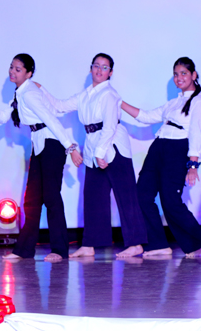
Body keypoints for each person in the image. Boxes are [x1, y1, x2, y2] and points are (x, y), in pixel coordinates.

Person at [0, 53, 82, 262]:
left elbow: (51, 119)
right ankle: (24, 250)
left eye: (18, 69)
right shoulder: (21, 93)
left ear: (28, 73)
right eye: (11, 67)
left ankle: (59, 250)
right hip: (40, 145)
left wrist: (71, 147)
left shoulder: (29, 93)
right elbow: (4, 116)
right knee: (32, 200)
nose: (12, 71)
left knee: (51, 198)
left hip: (52, 144)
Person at [37, 53, 147, 258]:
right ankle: (89, 245)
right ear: (90, 68)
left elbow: (110, 126)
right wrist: (40, 89)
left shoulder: (110, 94)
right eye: (96, 65)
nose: (99, 70)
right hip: (93, 147)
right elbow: (58, 106)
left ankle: (136, 243)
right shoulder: (85, 95)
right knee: (93, 197)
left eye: (105, 67)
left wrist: (100, 153)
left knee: (126, 197)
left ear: (110, 73)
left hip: (113, 147)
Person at [120, 57, 201, 258]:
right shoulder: (173, 103)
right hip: (159, 147)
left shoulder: (199, 102)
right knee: (142, 194)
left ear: (194, 75)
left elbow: (197, 133)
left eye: (184, 73)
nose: (179, 78)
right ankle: (157, 244)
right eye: (176, 74)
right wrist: (119, 103)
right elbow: (145, 116)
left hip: (178, 149)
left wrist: (193, 165)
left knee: (170, 201)